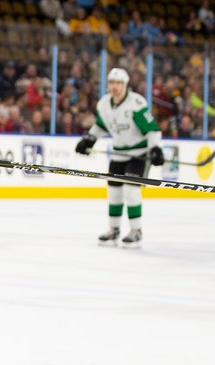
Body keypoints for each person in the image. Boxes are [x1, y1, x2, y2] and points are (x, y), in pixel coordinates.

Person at [74, 67, 164, 248]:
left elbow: (152, 129)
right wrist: (89, 140)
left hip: (138, 154)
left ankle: (136, 231)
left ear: (125, 85)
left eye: (118, 83)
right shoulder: (104, 103)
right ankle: (114, 229)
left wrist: (155, 149)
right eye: (112, 83)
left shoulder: (135, 103)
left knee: (131, 190)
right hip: (118, 153)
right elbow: (101, 125)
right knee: (114, 192)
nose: (114, 86)